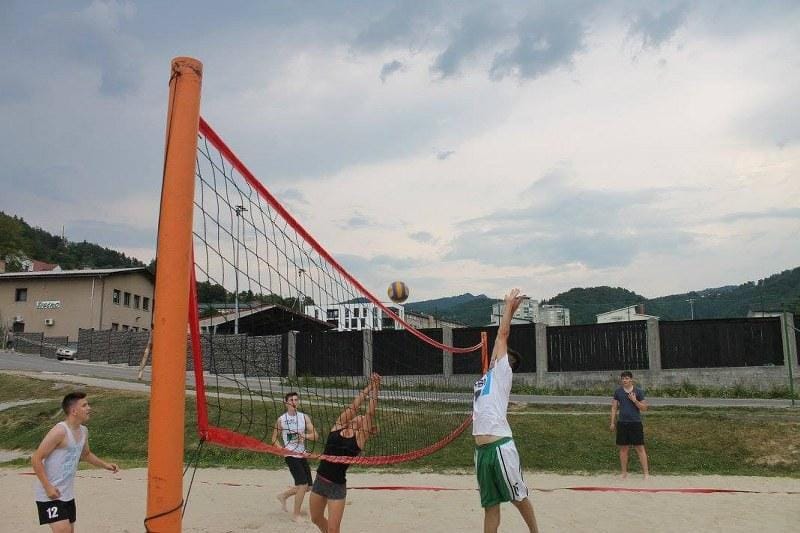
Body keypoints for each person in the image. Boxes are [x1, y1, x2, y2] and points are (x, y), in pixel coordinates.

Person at [473, 288, 538, 533]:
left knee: (518, 497)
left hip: (500, 447)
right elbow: (498, 341)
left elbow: (502, 335)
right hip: (482, 451)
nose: (495, 354)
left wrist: (507, 306)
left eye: (499, 353)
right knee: (490, 507)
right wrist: (510, 311)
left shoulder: (503, 372)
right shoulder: (488, 376)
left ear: (507, 363)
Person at [32, 391, 119, 532]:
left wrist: (106, 465)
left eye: (88, 404)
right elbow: (36, 458)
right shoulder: (60, 431)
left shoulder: (83, 431)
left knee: (69, 531)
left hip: (67, 493)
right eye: (84, 405)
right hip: (49, 493)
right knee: (63, 530)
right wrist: (48, 487)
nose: (89, 408)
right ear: (74, 411)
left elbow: (86, 454)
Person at [309, 373, 381, 533]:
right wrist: (370, 386)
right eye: (359, 416)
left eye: (363, 418)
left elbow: (370, 412)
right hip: (320, 480)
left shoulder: (359, 439)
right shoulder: (339, 425)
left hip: (337, 485)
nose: (360, 416)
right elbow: (354, 406)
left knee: (334, 529)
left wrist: (376, 389)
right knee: (316, 518)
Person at [271, 391, 319, 522]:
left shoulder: (304, 417)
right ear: (286, 402)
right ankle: (296, 515)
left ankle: (283, 496)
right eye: (291, 400)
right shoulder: (281, 420)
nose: (294, 402)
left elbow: (315, 436)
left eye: (296, 400)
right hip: (290, 454)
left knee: (309, 487)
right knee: (302, 485)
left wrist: (304, 436)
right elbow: (274, 439)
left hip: (301, 454)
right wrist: (282, 450)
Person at [610, 370, 650, 478]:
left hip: (635, 423)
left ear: (631, 379)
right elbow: (614, 407)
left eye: (627, 378)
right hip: (622, 423)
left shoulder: (638, 391)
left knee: (640, 448)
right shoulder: (618, 392)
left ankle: (646, 473)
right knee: (623, 449)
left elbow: (644, 408)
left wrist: (634, 400)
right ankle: (624, 473)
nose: (624, 380)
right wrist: (612, 422)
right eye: (623, 379)